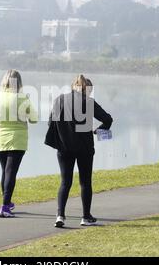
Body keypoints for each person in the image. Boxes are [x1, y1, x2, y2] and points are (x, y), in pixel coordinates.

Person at [45, 74, 113, 227]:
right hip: (85, 148)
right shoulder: (89, 102)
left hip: (64, 148)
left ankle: (60, 215)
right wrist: (98, 131)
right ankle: (86, 216)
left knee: (65, 182)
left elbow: (50, 122)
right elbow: (108, 119)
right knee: (85, 182)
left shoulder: (59, 100)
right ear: (87, 90)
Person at [0, 70, 38, 218]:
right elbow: (34, 119)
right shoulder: (22, 98)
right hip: (17, 140)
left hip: (0, 139)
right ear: (19, 83)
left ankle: (7, 203)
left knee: (5, 171)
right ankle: (5, 206)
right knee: (11, 172)